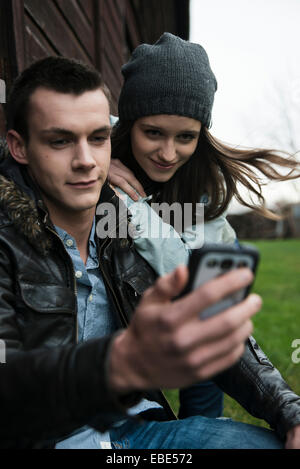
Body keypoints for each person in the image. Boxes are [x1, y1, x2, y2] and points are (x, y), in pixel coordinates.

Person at [0, 56, 299, 450]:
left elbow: (209, 318)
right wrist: (119, 363)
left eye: (97, 139)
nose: (86, 160)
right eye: (60, 141)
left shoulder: (135, 223)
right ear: (18, 146)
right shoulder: (11, 238)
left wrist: (288, 410)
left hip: (138, 431)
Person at [108, 33, 300, 420]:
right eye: (153, 133)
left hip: (185, 277)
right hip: (128, 304)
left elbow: (183, 272)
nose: (168, 153)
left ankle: (203, 420)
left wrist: (134, 206)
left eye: (186, 137)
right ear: (129, 124)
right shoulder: (92, 144)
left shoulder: (203, 186)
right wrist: (98, 159)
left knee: (208, 329)